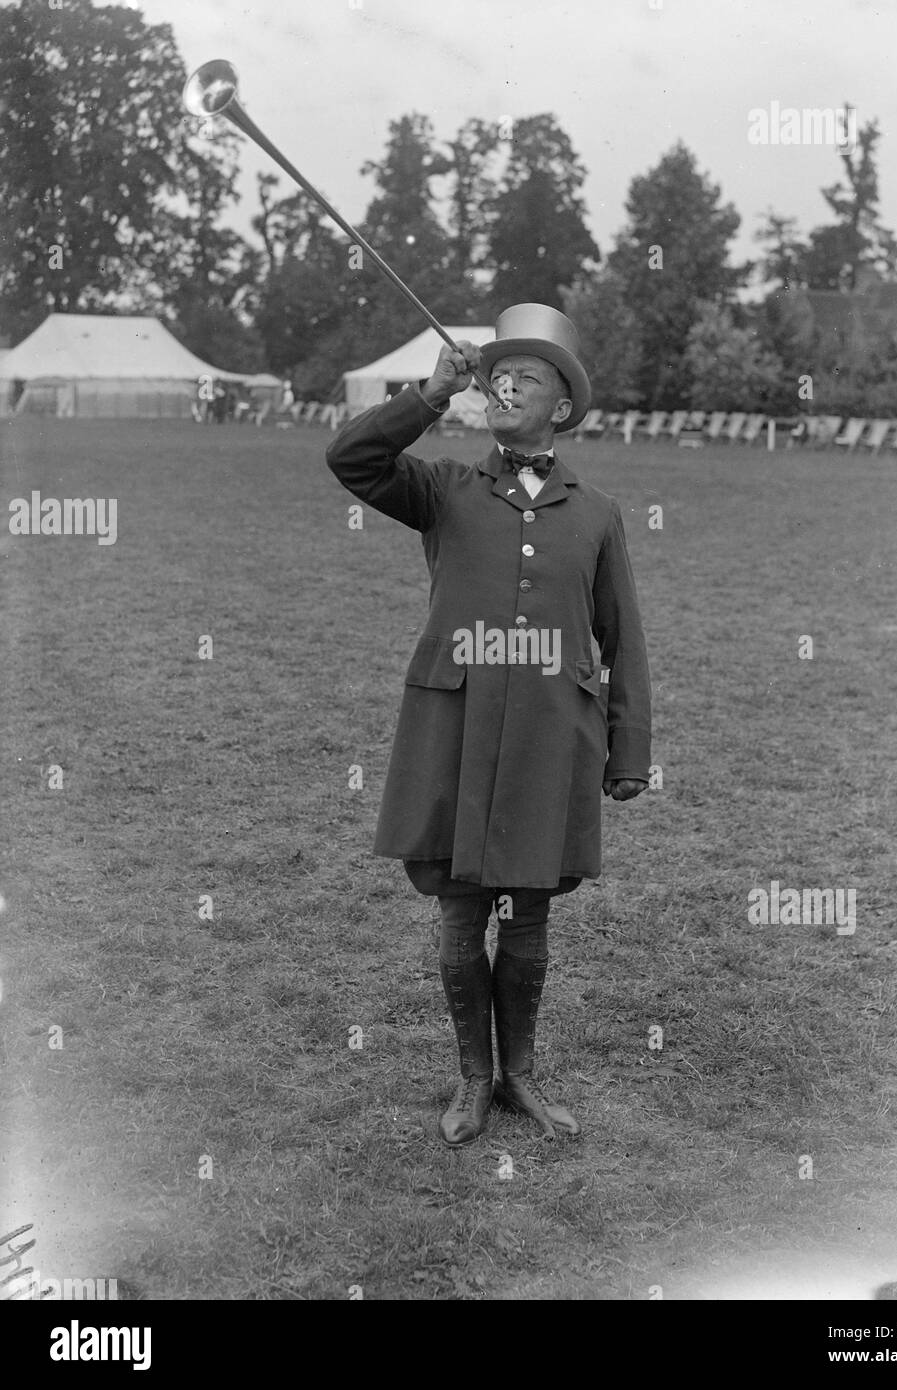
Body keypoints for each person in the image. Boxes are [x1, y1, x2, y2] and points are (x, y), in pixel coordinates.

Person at [326, 303, 652, 1145]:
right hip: (456, 730)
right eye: (497, 373)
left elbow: (625, 638)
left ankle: (522, 1077)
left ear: (562, 409)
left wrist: (630, 749)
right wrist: (428, 395)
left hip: (554, 735)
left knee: (532, 917)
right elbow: (352, 459)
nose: (506, 384)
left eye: (528, 376)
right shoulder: (443, 488)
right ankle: (473, 1080)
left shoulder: (597, 513)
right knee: (461, 912)